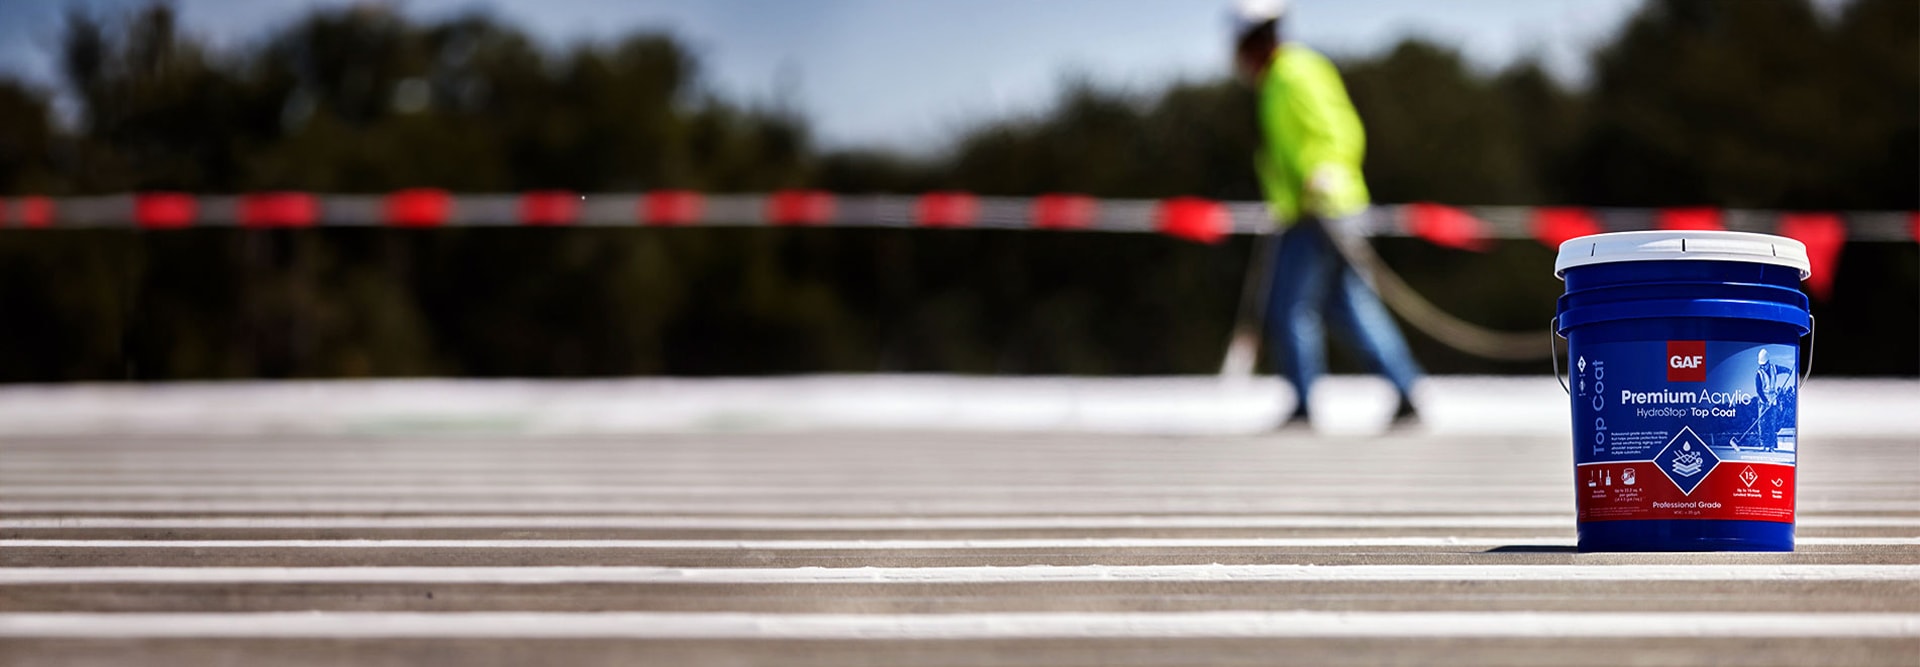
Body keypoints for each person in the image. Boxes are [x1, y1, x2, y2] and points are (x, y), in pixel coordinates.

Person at [1232, 0, 1423, 429]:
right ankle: (1406, 389)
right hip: (1321, 208)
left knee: (1290, 306)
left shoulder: (1293, 75)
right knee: (1350, 305)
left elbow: (1337, 130)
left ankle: (1303, 401)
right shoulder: (1285, 77)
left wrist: (1324, 173)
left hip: (1322, 210)